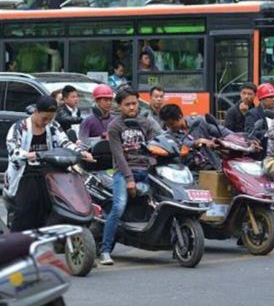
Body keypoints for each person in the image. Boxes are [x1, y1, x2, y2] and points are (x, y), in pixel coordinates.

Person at [4, 95, 93, 232]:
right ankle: (16, 243)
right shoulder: (19, 128)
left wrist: (81, 153)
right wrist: (30, 155)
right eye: (44, 118)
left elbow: (65, 143)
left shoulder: (53, 126)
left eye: (50, 119)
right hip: (25, 173)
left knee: (54, 204)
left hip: (48, 171)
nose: (47, 122)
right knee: (26, 208)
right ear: (36, 111)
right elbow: (13, 151)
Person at [99, 87, 158, 266]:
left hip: (146, 171)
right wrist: (129, 179)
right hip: (124, 172)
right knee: (118, 207)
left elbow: (154, 146)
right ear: (120, 106)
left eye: (134, 104)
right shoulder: (115, 126)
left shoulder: (146, 123)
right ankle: (105, 250)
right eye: (127, 104)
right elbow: (118, 156)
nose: (132, 107)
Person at [160, 104, 233, 171]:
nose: (170, 127)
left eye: (172, 124)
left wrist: (236, 138)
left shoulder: (199, 121)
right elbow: (182, 144)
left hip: (214, 166)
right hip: (191, 172)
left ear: (180, 117)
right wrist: (197, 142)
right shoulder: (168, 135)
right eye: (167, 125)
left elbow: (223, 132)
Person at [245, 83, 274, 159]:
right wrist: (268, 133)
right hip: (262, 153)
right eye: (270, 97)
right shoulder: (252, 113)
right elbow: (250, 133)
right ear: (262, 99)